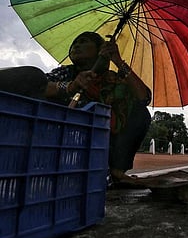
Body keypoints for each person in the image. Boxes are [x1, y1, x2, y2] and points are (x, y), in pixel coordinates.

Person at [0, 32, 151, 183]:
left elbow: (143, 97)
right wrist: (70, 86)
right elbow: (40, 86)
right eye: (74, 43)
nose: (76, 45)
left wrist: (118, 61)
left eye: (83, 41)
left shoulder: (113, 79)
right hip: (57, 142)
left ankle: (117, 172)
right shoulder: (66, 72)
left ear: (100, 50)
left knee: (140, 113)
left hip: (97, 148)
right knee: (32, 75)